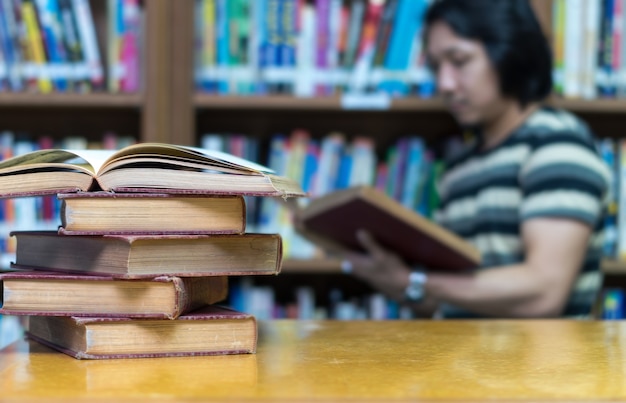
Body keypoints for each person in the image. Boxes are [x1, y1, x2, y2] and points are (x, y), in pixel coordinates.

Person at [338, 0, 612, 318]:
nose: (445, 84)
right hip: (470, 363)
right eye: (436, 66)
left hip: (542, 367)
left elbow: (544, 293)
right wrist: (387, 275)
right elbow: (446, 299)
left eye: (459, 60)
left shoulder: (557, 144)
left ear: (508, 52)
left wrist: (413, 279)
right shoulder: (458, 169)